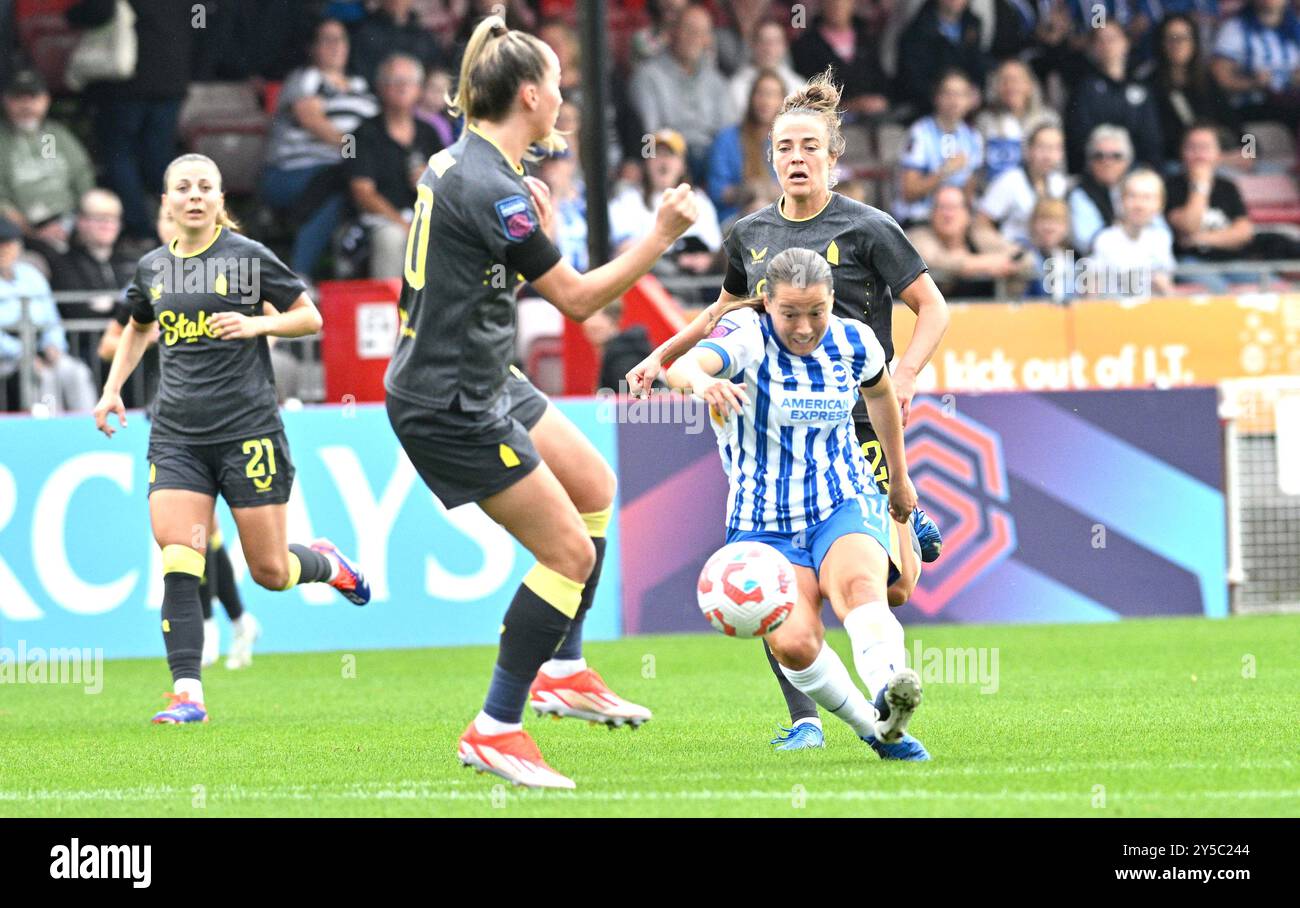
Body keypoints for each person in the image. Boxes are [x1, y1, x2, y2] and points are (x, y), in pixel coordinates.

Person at [385, 16, 698, 789]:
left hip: (481, 373)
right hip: (451, 398)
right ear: (529, 94)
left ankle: (563, 667)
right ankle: (496, 726)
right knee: (568, 552)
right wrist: (660, 236)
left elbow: (482, 270)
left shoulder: (460, 162)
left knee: (594, 487)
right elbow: (583, 301)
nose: (564, 98)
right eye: (558, 84)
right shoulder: (497, 190)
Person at [625, 71, 948, 753]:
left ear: (832, 157)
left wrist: (908, 372)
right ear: (770, 158)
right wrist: (665, 358)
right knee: (789, 596)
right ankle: (815, 719)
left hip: (859, 411)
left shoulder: (869, 228)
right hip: (777, 422)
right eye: (784, 147)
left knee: (888, 591)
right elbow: (724, 315)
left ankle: (903, 515)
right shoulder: (750, 233)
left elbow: (933, 306)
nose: (796, 157)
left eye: (810, 146)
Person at [93, 153, 370, 725]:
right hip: (177, 438)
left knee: (270, 572)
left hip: (248, 432)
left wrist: (258, 324)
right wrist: (113, 388)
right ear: (166, 202)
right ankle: (188, 693)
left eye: (205, 188)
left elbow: (310, 317)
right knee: (179, 559)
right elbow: (139, 326)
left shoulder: (247, 260)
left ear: (220, 201)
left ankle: (325, 562)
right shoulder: (151, 269)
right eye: (183, 188)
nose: (194, 196)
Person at [664, 247, 930, 761]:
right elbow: (684, 366)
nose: (805, 327)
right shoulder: (745, 336)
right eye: (790, 314)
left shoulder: (857, 341)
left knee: (862, 587)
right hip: (761, 521)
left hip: (841, 498)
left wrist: (899, 479)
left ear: (833, 301)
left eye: (817, 312)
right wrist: (702, 382)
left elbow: (880, 400)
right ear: (767, 302)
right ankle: (876, 730)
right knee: (795, 643)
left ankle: (889, 687)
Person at [97, 202, 260, 671]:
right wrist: (166, 327)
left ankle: (217, 622)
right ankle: (230, 620)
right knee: (198, 533)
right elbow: (112, 341)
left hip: (224, 417)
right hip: (168, 417)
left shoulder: (228, 273)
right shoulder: (150, 277)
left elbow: (270, 316)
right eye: (168, 219)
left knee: (205, 533)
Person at [260, 18, 379, 279]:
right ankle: (299, 274)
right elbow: (312, 120)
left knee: (357, 185)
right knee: (343, 188)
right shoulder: (306, 78)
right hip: (293, 173)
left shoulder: (361, 86)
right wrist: (360, 154)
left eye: (341, 39)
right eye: (327, 39)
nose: (336, 46)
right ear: (312, 48)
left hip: (343, 172)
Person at [347, 54, 443, 279]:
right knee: (391, 237)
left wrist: (430, 179)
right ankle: (390, 311)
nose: (401, 88)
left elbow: (449, 187)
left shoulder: (429, 133)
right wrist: (404, 225)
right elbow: (362, 193)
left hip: (423, 219)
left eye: (408, 82)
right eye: (393, 81)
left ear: (419, 89)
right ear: (380, 88)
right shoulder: (360, 135)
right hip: (378, 223)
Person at [0, 215, 98, 412]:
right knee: (43, 376)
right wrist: (25, 354)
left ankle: (91, 426)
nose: (6, 250)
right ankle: (49, 432)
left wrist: (54, 345)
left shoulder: (31, 275)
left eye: (11, 244)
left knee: (75, 371)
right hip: (7, 357)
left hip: (40, 347)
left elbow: (51, 317)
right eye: (1, 245)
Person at [629, 3, 736, 180]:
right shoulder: (647, 76)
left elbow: (727, 133)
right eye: (689, 30)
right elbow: (649, 133)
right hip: (670, 155)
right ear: (672, 33)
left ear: (708, 40)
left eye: (701, 32)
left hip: (711, 160)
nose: (694, 38)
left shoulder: (717, 82)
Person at [0, 69, 95, 253]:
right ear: (5, 100)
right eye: (19, 97)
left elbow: (83, 179)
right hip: (22, 234)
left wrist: (77, 222)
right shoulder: (3, 141)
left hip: (72, 226)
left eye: (33, 96)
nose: (26, 104)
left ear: (46, 99)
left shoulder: (52, 136)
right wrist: (31, 231)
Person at [608, 129, 722, 278]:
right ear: (646, 162)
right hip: (646, 276)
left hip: (692, 281)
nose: (663, 161)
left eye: (670, 155)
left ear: (682, 164)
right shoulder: (627, 200)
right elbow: (622, 249)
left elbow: (714, 250)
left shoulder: (699, 201)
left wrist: (700, 260)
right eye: (657, 155)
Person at [1064, 21, 1164, 173]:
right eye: (1100, 40)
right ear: (1092, 48)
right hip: (1097, 168)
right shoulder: (1084, 88)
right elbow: (1079, 136)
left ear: (1126, 43)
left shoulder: (1141, 87)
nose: (1107, 45)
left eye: (1112, 39)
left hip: (1135, 170)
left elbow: (1152, 139)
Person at [1140, 14, 1237, 163]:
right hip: (1178, 164)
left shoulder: (1207, 80)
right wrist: (1215, 158)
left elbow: (1232, 122)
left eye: (1184, 37)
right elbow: (1160, 143)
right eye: (1171, 38)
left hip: (1220, 158)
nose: (1178, 44)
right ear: (1161, 44)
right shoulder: (1150, 84)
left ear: (1194, 42)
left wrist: (1247, 151)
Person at [894, 69, 984, 228]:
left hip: (957, 223)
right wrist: (946, 170)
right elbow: (908, 192)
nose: (954, 100)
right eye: (948, 94)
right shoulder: (920, 132)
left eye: (961, 94)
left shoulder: (973, 137)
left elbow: (969, 193)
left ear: (970, 100)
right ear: (936, 98)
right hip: (920, 219)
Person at [910, 185, 1032, 299]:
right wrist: (988, 264)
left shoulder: (978, 236)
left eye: (954, 208)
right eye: (942, 207)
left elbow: (1024, 257)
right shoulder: (919, 237)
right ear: (932, 214)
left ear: (967, 214)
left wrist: (1007, 264)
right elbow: (937, 261)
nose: (948, 215)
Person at [789, 0, 891, 118]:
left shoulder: (868, 39)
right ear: (821, 5)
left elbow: (882, 81)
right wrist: (850, 105)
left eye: (843, 2)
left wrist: (881, 100)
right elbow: (805, 91)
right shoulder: (805, 45)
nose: (838, 6)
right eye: (832, 2)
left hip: (874, 119)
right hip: (827, 120)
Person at [708, 69, 784, 225]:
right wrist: (748, 191)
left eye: (772, 95)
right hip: (735, 219)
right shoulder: (727, 138)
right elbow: (717, 192)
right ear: (751, 98)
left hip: (782, 218)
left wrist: (767, 190)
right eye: (761, 94)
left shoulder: (790, 142)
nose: (765, 101)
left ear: (782, 101)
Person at [975, 122, 1067, 246]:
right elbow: (980, 224)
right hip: (1015, 253)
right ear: (1029, 150)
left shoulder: (1059, 184)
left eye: (1054, 148)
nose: (1048, 155)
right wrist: (1005, 251)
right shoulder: (1010, 180)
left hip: (1048, 255)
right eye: (1042, 147)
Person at [1210, 0, 1300, 125]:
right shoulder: (1235, 29)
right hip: (1250, 110)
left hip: (1290, 103)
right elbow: (1218, 78)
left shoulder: (1296, 27)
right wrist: (1252, 83)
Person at [1089, 168, 1176, 297]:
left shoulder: (1162, 238)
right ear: (1121, 201)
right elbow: (1092, 292)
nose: (1139, 205)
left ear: (1160, 204)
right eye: (1132, 196)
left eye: (1147, 198)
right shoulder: (1105, 240)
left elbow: (1167, 289)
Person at [974, 59, 1060, 183]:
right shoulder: (985, 121)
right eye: (1004, 81)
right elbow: (979, 167)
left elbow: (1058, 165)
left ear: (1029, 85)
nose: (1011, 86)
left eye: (1016, 80)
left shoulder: (1048, 119)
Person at [896, 0, 989, 114]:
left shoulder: (973, 24)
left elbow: (978, 65)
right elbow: (912, 79)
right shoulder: (917, 31)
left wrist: (975, 91)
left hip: (967, 110)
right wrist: (944, 97)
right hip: (926, 109)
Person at [1068, 124, 1135, 255]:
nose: (1107, 162)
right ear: (1089, 161)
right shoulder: (1079, 193)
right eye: (1099, 156)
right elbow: (1088, 242)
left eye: (1116, 156)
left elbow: (1160, 233)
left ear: (1128, 161)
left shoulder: (1138, 186)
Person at [728, 19, 804, 115]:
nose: (769, 49)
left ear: (784, 46)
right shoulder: (736, 85)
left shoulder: (799, 87)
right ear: (752, 44)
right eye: (763, 41)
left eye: (775, 42)